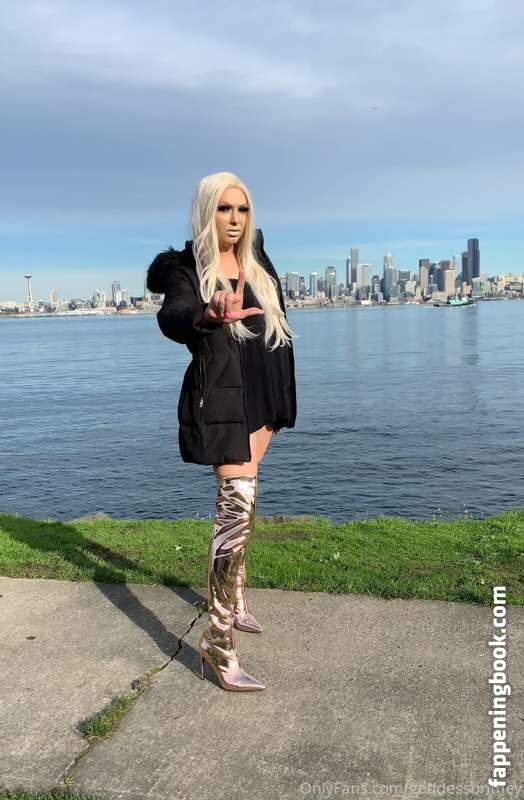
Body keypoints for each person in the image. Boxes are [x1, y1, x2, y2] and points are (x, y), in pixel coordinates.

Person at [146, 171, 298, 692]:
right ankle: (218, 638)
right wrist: (209, 313)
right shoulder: (185, 267)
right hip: (225, 397)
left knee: (246, 505)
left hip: (267, 388)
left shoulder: (257, 255)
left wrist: (284, 391)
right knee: (235, 511)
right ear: (206, 211)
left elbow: (274, 316)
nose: (234, 220)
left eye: (242, 209)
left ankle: (236, 596)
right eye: (224, 209)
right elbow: (174, 315)